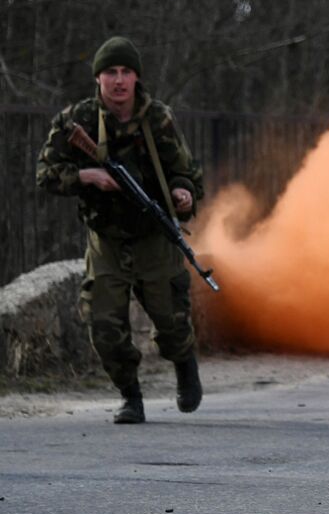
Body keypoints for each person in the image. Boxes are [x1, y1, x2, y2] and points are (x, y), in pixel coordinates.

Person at [34, 36, 205, 424]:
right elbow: (44, 174)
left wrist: (183, 193)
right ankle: (131, 396)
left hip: (153, 236)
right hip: (107, 239)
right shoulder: (76, 120)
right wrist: (85, 175)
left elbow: (188, 173)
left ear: (136, 78)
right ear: (98, 78)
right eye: (111, 72)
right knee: (103, 324)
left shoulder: (157, 118)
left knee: (172, 321)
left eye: (126, 72)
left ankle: (185, 366)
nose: (119, 80)